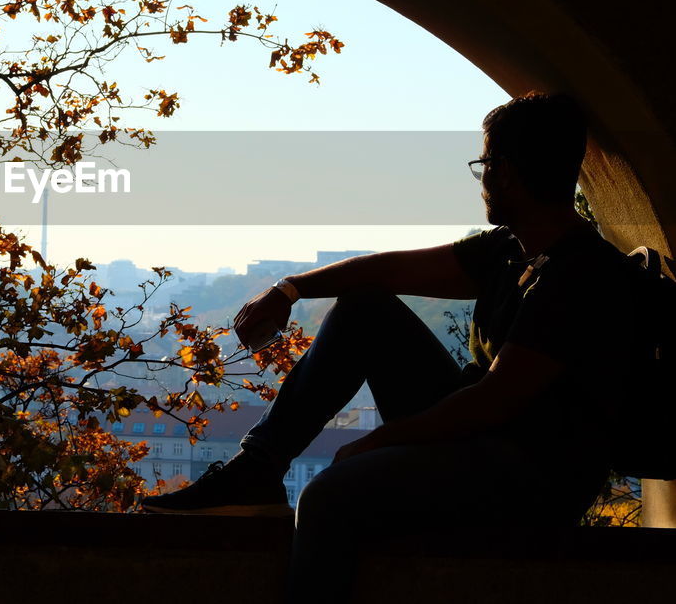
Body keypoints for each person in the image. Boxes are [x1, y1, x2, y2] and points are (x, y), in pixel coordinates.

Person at [140, 92, 636, 600]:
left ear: (504, 171)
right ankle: (257, 469)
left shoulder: (578, 276)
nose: (481, 180)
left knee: (327, 497)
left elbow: (496, 400)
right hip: (490, 439)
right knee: (364, 308)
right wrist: (289, 289)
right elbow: (388, 270)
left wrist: (380, 440)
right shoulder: (513, 251)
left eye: (483, 165)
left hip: (530, 472)